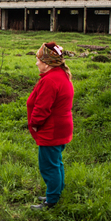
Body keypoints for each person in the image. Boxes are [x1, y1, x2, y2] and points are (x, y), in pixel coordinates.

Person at [27, 42, 74, 210]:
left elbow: (42, 108)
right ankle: (55, 192)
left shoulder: (51, 80)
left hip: (51, 130)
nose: (36, 63)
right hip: (61, 128)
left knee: (49, 165)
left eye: (38, 59)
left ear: (47, 63)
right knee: (56, 162)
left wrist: (34, 125)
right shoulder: (60, 75)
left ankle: (51, 202)